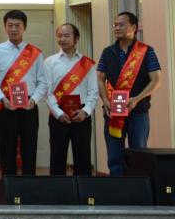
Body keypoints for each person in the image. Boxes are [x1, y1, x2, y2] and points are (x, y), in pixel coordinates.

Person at [97, 11, 163, 176]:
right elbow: (100, 79)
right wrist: (105, 100)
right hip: (113, 111)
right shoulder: (108, 52)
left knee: (139, 154)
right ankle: (118, 188)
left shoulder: (146, 51)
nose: (117, 28)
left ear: (133, 27)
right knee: (114, 157)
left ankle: (139, 188)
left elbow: (156, 80)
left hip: (138, 111)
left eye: (121, 25)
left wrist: (137, 99)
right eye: (115, 25)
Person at [0, 9, 47, 176]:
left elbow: (43, 82)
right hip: (6, 105)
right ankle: (8, 185)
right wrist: (2, 99)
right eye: (10, 25)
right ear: (5, 27)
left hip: (29, 105)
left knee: (30, 148)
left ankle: (28, 186)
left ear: (24, 27)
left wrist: (34, 99)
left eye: (17, 25)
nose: (14, 29)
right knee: (7, 149)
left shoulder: (35, 53)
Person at [44, 23, 98, 177]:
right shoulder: (49, 62)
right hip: (58, 114)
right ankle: (58, 190)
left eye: (67, 35)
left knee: (83, 157)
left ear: (76, 38)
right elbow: (47, 92)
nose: (62, 39)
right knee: (57, 157)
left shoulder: (87, 63)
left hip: (81, 114)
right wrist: (58, 113)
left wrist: (85, 111)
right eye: (59, 36)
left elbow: (93, 91)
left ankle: (83, 190)